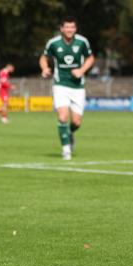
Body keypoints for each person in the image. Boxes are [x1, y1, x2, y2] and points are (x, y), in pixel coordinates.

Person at [39, 17, 95, 160]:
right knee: (63, 117)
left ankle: (69, 134)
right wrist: (45, 68)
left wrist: (81, 71)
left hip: (78, 87)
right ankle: (66, 150)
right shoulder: (53, 43)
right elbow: (44, 57)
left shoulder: (82, 42)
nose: (70, 30)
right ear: (61, 29)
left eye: (72, 27)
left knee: (76, 122)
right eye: (67, 27)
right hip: (60, 85)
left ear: (75, 29)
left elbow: (90, 58)